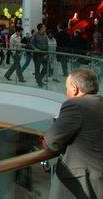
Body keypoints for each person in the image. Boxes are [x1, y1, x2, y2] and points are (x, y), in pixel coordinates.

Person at [44, 68, 103, 199]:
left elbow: (51, 141)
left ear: (75, 89)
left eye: (67, 88)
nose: (66, 92)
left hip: (81, 182)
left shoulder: (75, 105)